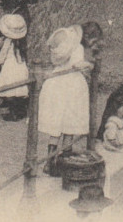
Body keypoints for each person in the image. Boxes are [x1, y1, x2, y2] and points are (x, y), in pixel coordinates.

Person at [39, 23, 102, 171]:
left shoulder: (63, 49)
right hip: (72, 86)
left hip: (56, 84)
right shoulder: (78, 48)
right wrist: (90, 66)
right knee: (69, 124)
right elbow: (81, 66)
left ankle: (49, 161)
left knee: (56, 126)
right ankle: (64, 159)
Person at [0, 13, 29, 121]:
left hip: (10, 67)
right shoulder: (22, 41)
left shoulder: (8, 41)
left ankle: (13, 113)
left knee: (10, 91)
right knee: (19, 90)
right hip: (20, 67)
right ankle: (21, 111)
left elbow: (3, 54)